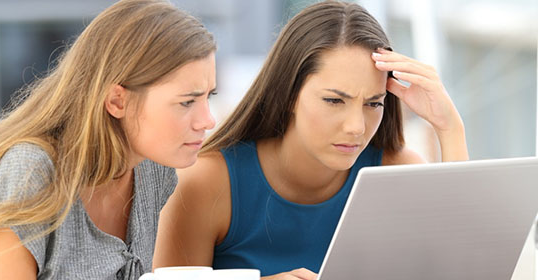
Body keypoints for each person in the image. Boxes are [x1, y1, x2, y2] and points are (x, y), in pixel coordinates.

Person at [152, 1, 469, 280]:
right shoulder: (205, 183)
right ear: (289, 94)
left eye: (373, 103)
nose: (356, 127)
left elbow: (465, 268)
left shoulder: (396, 172)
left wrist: (449, 127)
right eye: (334, 101)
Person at [0, 0, 217, 279]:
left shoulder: (154, 168)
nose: (208, 121)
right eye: (187, 102)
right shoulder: (30, 170)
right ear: (117, 101)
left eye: (208, 96)